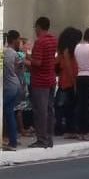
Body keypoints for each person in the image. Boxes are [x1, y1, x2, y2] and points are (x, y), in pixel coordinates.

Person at [27, 17, 58, 149]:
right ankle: (49, 138)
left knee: (40, 111)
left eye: (35, 27)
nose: (35, 30)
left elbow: (38, 63)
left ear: (39, 27)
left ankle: (42, 139)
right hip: (51, 80)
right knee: (49, 110)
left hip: (40, 81)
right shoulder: (53, 40)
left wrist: (26, 59)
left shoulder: (40, 42)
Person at [55, 27, 82, 138]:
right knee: (67, 107)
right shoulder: (69, 52)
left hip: (64, 81)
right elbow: (70, 68)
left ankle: (60, 127)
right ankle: (65, 127)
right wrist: (75, 83)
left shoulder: (62, 50)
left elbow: (58, 65)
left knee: (61, 106)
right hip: (69, 82)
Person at [3, 30, 24, 150]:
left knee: (3, 111)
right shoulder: (15, 54)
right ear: (15, 40)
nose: (20, 42)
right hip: (15, 85)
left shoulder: (5, 52)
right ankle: (13, 140)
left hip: (8, 87)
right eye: (19, 40)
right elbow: (19, 69)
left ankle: (11, 140)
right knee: (9, 113)